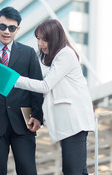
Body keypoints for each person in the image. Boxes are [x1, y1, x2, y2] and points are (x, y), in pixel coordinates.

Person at [14, 19, 95, 175]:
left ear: (55, 38)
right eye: (38, 38)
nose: (40, 43)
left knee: (73, 171)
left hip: (74, 123)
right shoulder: (61, 57)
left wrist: (14, 80)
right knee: (76, 171)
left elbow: (45, 86)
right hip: (69, 124)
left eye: (44, 39)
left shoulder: (66, 55)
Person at [0, 6, 44, 175]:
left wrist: (38, 116)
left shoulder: (28, 53)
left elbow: (37, 87)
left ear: (17, 29)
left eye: (11, 28)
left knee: (28, 170)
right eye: (3, 26)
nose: (6, 31)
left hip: (23, 121)